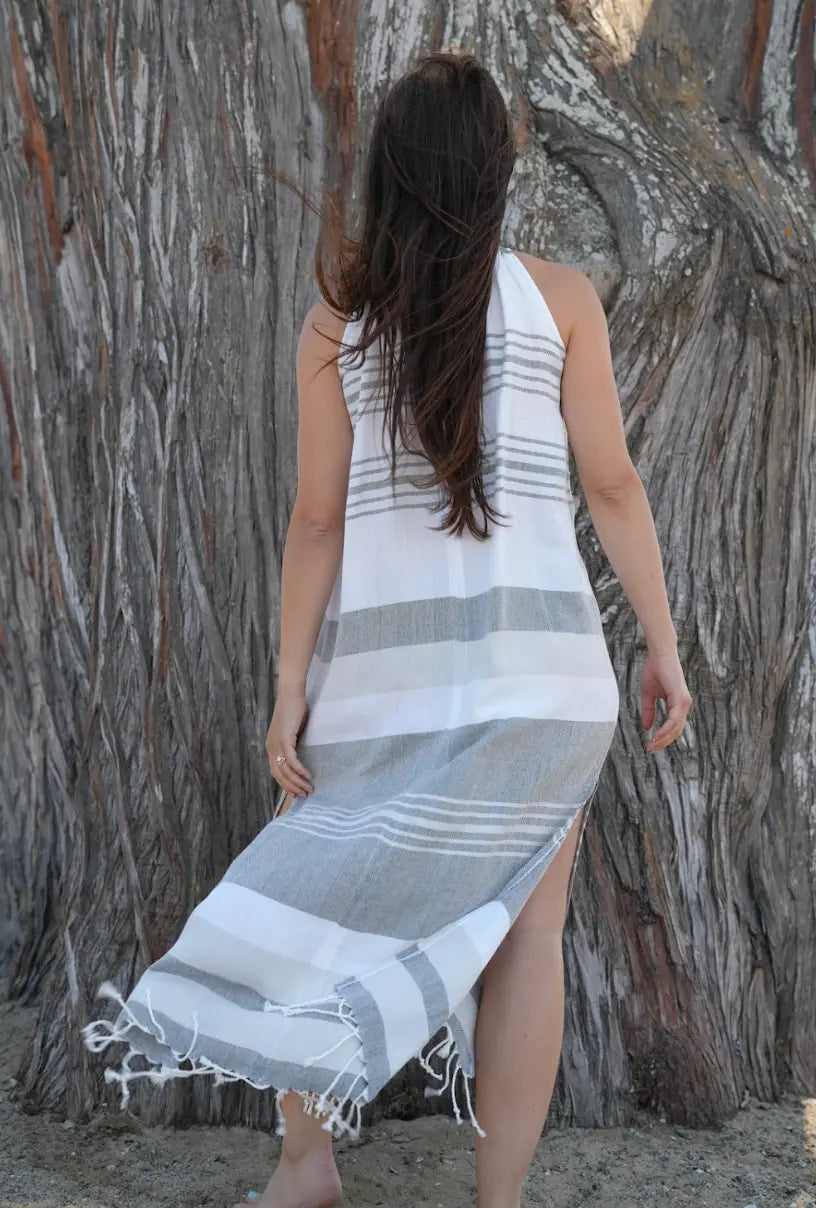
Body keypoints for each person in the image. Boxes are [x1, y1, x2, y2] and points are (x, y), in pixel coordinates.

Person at [83, 50, 692, 1208]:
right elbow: (612, 487)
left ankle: (306, 1163)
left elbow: (316, 520)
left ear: (392, 176)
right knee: (529, 942)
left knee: (314, 895)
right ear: (497, 171)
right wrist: (662, 645)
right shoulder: (562, 301)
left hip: (385, 685)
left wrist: (287, 686)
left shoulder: (338, 330)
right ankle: (496, 1200)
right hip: (545, 688)